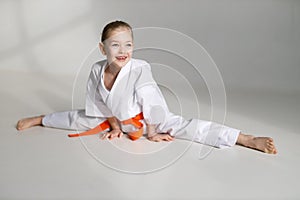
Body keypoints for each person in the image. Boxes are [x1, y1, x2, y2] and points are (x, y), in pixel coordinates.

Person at [16, 20, 277, 154]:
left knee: (188, 127)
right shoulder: (97, 69)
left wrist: (151, 132)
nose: (122, 51)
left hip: (147, 121)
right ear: (102, 48)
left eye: (127, 44)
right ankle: (41, 119)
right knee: (79, 118)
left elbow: (151, 102)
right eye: (115, 45)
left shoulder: (139, 68)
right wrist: (115, 128)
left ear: (133, 47)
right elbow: (98, 102)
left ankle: (244, 138)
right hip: (114, 120)